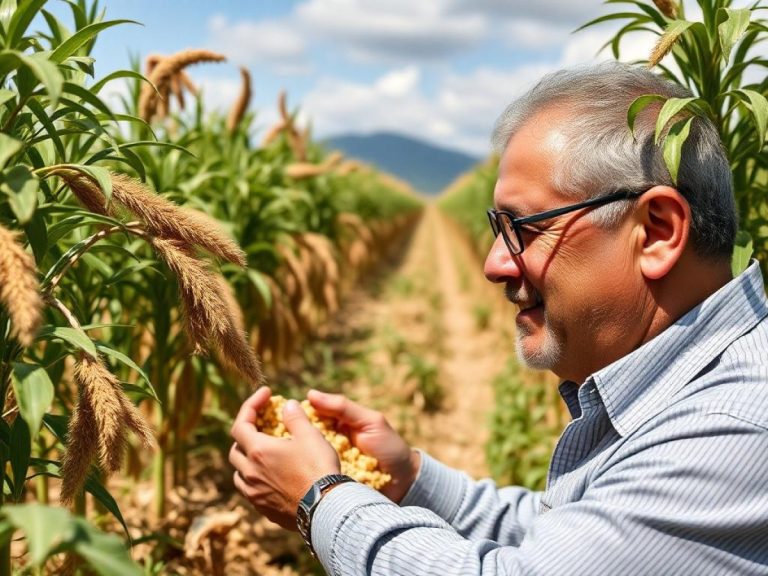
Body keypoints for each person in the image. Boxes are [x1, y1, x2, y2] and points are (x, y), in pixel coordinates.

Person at [229, 61, 768, 575]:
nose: (494, 264)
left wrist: (320, 500)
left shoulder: (734, 425)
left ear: (655, 231)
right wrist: (410, 479)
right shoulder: (694, 396)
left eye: (524, 228)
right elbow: (570, 540)